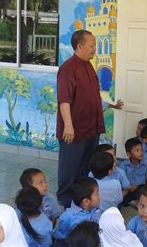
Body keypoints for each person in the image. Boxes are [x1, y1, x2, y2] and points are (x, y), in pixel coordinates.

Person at [56, 30, 105, 208]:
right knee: (69, 168)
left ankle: (81, 201)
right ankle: (65, 203)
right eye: (91, 45)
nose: (94, 49)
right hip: (74, 130)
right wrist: (68, 125)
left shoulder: (88, 66)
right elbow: (64, 100)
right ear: (80, 46)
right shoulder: (68, 69)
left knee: (85, 167)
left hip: (90, 128)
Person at [120, 137, 147, 204]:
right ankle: (133, 202)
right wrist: (129, 187)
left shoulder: (146, 164)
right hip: (128, 188)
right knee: (121, 196)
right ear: (129, 154)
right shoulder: (124, 165)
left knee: (145, 192)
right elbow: (122, 181)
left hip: (141, 188)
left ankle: (136, 201)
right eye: (137, 150)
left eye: (141, 150)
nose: (141, 152)